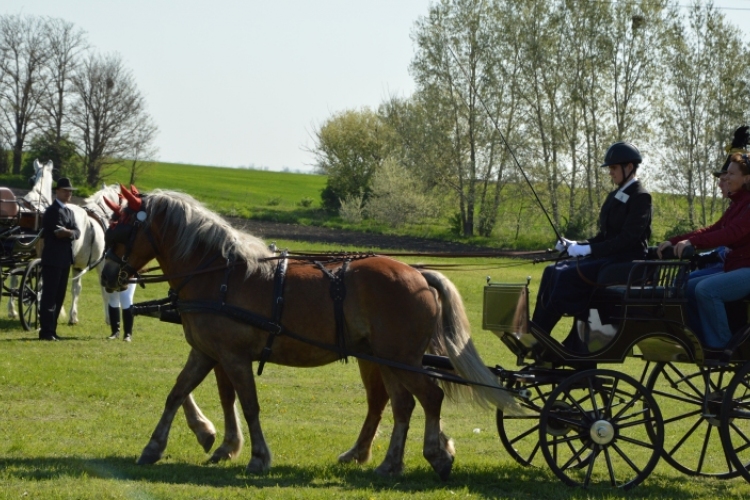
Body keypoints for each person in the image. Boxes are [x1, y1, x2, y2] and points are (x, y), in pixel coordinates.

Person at [531, 142, 652, 341]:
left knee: (566, 276)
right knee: (552, 271)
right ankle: (538, 329)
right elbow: (605, 235)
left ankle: (541, 335)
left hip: (627, 261)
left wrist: (588, 250)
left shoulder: (641, 197)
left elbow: (627, 238)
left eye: (613, 168)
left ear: (629, 167)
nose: (610, 173)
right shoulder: (615, 195)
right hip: (609, 256)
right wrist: (575, 244)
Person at [657, 153, 750, 349]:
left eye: (731, 174)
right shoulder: (737, 204)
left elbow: (730, 234)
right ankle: (700, 341)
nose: (726, 178)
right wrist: (674, 241)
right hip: (736, 267)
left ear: (747, 178)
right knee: (685, 288)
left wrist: (692, 242)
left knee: (706, 290)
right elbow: (714, 230)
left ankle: (724, 346)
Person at [39, 178, 80, 341]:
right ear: (58, 191)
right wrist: (69, 233)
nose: (69, 193)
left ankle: (53, 330)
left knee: (59, 296)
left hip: (65, 260)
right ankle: (46, 331)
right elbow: (58, 232)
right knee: (49, 296)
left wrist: (68, 232)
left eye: (70, 191)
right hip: (52, 259)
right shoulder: (52, 211)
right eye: (65, 190)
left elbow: (77, 232)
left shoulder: (69, 212)